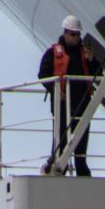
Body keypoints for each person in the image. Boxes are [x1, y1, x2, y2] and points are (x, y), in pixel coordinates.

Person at [38, 15, 95, 176]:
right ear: (65, 33)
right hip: (62, 103)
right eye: (73, 34)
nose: (76, 38)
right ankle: (58, 166)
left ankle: (82, 168)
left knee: (81, 138)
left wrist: (93, 61)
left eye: (78, 34)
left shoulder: (84, 54)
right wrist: (56, 90)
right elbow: (43, 74)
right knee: (61, 138)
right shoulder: (52, 53)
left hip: (82, 102)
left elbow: (96, 74)